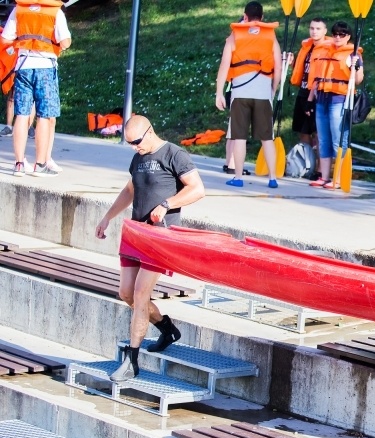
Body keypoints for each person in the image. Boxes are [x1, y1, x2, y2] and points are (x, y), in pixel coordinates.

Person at [94, 116, 205, 382]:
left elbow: (197, 189)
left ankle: (132, 361)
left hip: (160, 236)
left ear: (150, 131)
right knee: (126, 293)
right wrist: (107, 217)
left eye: (137, 141)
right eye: (129, 143)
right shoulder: (138, 158)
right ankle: (167, 329)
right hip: (136, 234)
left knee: (141, 294)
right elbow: (130, 190)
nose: (135, 147)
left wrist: (167, 204)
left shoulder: (174, 154)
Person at [1, 0, 71, 178]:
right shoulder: (55, 11)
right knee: (44, 116)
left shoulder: (19, 9)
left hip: (23, 66)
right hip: (45, 67)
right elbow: (65, 42)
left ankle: (19, 164)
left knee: (22, 114)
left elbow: (6, 38)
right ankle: (40, 164)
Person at [215, 1, 281, 189]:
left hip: (240, 93)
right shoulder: (270, 35)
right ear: (262, 17)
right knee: (267, 138)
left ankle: (238, 177)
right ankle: (273, 178)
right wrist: (273, 89)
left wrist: (219, 93)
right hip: (263, 93)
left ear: (245, 16)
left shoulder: (235, 35)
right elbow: (278, 66)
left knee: (239, 137)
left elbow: (224, 66)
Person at [306, 21, 363, 189]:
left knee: (338, 139)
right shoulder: (324, 50)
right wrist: (309, 100)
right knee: (323, 139)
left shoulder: (353, 55)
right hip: (322, 99)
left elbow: (358, 80)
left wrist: (356, 67)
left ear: (348, 37)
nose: (338, 37)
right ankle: (324, 177)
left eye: (342, 34)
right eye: (335, 34)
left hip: (339, 100)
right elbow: (316, 79)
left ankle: (337, 178)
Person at [289, 17, 328, 180]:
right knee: (303, 131)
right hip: (303, 92)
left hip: (318, 94)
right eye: (312, 28)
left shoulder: (327, 49)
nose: (314, 31)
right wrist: (292, 63)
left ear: (325, 31)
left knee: (318, 133)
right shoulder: (306, 47)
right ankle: (307, 165)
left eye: (318, 29)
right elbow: (302, 70)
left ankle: (320, 169)